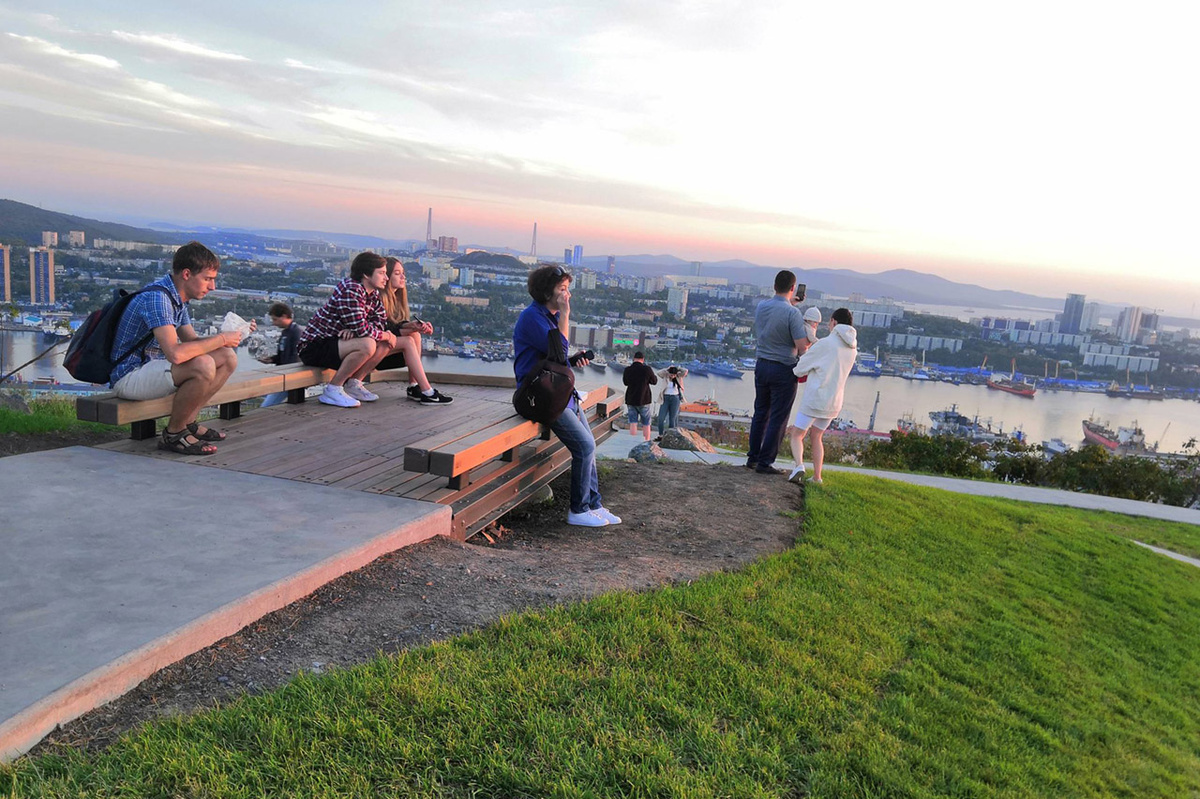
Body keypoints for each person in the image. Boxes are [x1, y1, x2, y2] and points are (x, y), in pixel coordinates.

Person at [108, 241, 252, 456]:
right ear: (186, 274)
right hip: (129, 376)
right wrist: (222, 338)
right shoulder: (158, 298)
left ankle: (188, 422)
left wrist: (235, 335)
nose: (212, 287)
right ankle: (174, 434)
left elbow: (192, 341)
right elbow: (175, 354)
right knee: (203, 364)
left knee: (227, 357)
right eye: (207, 279)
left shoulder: (177, 299)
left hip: (152, 369)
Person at [513, 264, 620, 528]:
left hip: (557, 390)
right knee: (584, 446)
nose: (567, 295)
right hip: (540, 396)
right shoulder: (533, 318)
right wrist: (566, 315)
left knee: (589, 445)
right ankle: (578, 509)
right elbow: (558, 350)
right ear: (546, 292)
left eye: (568, 289)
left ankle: (593, 504)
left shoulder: (546, 316)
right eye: (562, 289)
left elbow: (556, 357)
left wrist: (572, 360)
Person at [298, 252, 452, 407]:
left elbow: (378, 323)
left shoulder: (373, 294)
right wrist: (368, 331)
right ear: (366, 274)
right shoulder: (351, 288)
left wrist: (361, 330)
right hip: (314, 346)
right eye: (382, 273)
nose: (386, 278)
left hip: (338, 343)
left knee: (385, 341)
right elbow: (365, 328)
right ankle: (333, 389)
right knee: (368, 344)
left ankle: (356, 385)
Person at [746, 270, 810, 474]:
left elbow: (776, 317)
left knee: (761, 413)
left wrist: (792, 304)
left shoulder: (762, 307)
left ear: (775, 286)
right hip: (783, 369)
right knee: (778, 417)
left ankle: (753, 458)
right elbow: (801, 347)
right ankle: (766, 463)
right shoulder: (793, 314)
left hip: (762, 365)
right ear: (793, 288)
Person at [789, 308, 858, 485]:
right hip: (834, 402)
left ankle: (799, 466)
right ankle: (817, 477)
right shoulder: (852, 349)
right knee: (817, 436)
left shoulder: (825, 344)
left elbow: (799, 369)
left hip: (815, 399)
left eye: (828, 322)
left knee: (797, 435)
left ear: (834, 322)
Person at [376, 257, 449, 403]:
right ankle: (427, 391)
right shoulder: (378, 299)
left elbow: (395, 325)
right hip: (375, 353)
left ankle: (414, 386)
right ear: (386, 275)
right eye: (397, 273)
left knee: (414, 334)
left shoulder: (396, 299)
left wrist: (413, 326)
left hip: (385, 349)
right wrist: (410, 327)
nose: (403, 277)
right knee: (411, 338)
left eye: (403, 273)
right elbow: (383, 330)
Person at [257, 302, 301, 408]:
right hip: (284, 375)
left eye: (275, 319)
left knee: (266, 406)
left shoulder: (296, 333)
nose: (274, 323)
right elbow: (283, 356)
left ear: (284, 316)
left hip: (289, 377)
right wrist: (272, 359)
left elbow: (295, 358)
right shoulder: (286, 333)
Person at [621, 351, 657, 442]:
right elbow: (654, 381)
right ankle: (646, 441)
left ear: (634, 359)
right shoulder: (647, 369)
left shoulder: (628, 369)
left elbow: (625, 383)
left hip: (631, 399)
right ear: (643, 359)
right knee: (646, 423)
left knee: (633, 422)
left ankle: (633, 442)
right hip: (644, 399)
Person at [654, 364, 688, 440]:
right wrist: (668, 369)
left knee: (672, 418)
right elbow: (658, 373)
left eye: (673, 375)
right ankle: (660, 435)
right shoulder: (665, 376)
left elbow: (685, 371)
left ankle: (670, 436)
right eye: (671, 375)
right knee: (661, 418)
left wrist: (678, 368)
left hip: (675, 398)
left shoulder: (679, 377)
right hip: (665, 398)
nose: (672, 376)